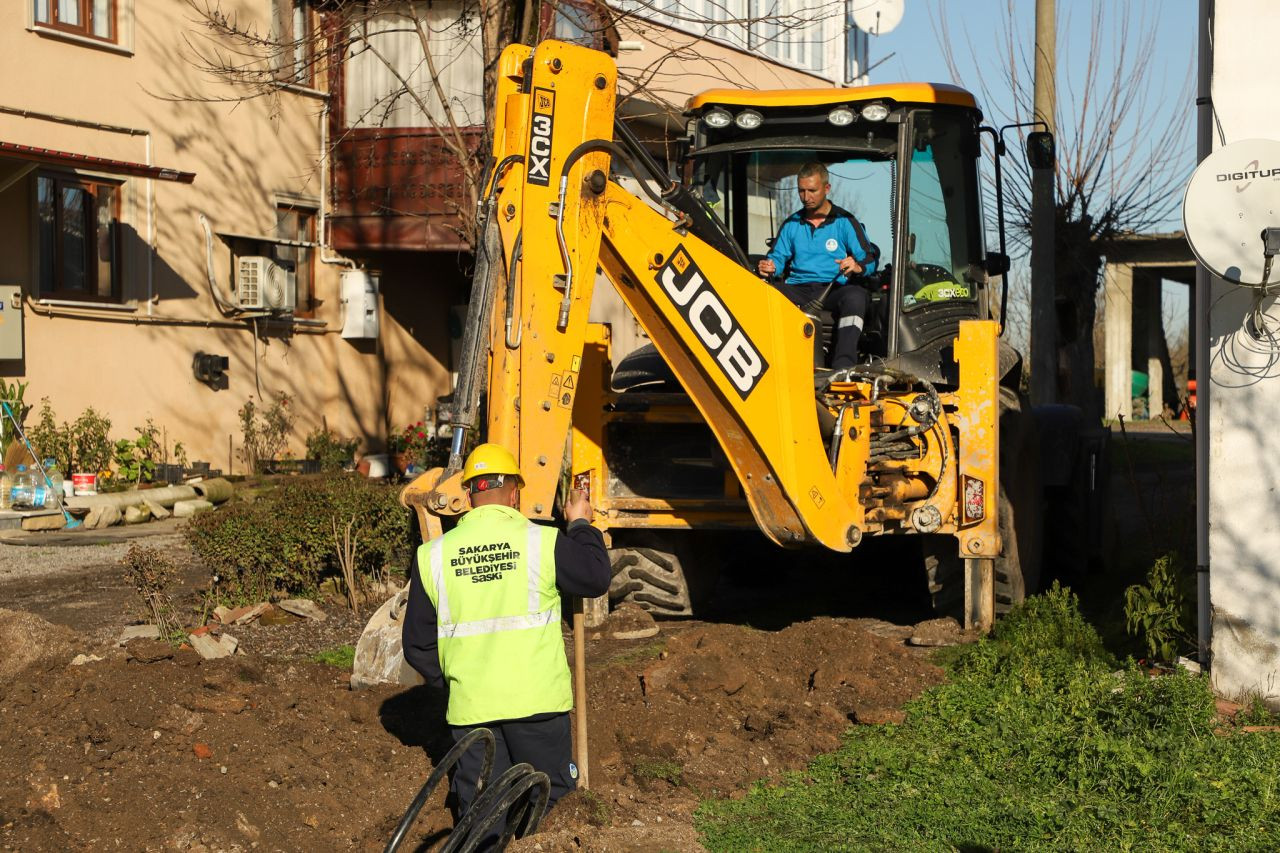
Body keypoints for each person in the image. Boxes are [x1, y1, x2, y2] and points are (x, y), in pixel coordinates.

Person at [402, 442, 610, 837]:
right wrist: (581, 525)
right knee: (549, 813)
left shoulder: (433, 556)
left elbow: (417, 645)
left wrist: (456, 686)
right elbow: (595, 577)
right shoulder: (541, 542)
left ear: (468, 495)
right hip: (538, 705)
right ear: (514, 492)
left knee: (482, 818)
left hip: (472, 714)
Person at [757, 162, 878, 369]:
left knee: (856, 296)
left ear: (826, 188)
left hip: (833, 290)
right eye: (801, 191)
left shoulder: (845, 221)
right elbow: (777, 257)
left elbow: (870, 258)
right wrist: (770, 266)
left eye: (812, 190)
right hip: (799, 289)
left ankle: (843, 367)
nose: (806, 197)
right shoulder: (791, 224)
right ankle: (768, 363)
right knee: (762, 293)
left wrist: (857, 266)